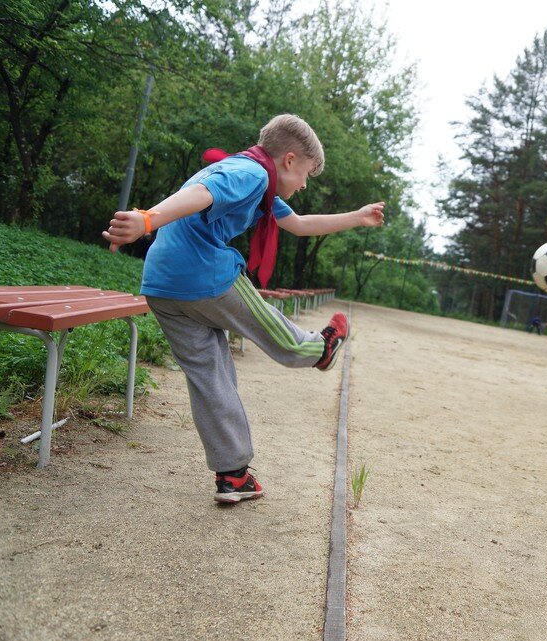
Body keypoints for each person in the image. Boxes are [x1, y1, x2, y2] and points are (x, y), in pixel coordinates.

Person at [102, 114, 385, 503]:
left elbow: (300, 224)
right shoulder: (249, 173)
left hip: (162, 285)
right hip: (204, 276)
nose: (303, 184)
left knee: (210, 376)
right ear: (288, 159)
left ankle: (233, 475)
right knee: (267, 325)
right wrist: (148, 218)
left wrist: (357, 217)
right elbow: (203, 194)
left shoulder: (254, 180)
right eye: (305, 174)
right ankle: (320, 349)